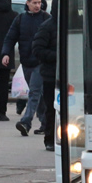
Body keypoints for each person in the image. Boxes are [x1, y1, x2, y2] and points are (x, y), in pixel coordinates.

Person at [2, 0, 51, 136]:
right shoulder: (20, 19)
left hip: (40, 62)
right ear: (27, 3)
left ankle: (26, 121)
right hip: (26, 62)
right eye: (34, 3)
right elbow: (10, 37)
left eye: (39, 2)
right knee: (39, 95)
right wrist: (5, 53)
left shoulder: (45, 18)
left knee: (34, 92)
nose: (37, 5)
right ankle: (45, 124)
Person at [32, 14, 58, 152]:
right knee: (51, 109)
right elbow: (37, 49)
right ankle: (50, 139)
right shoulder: (47, 27)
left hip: (71, 75)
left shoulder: (76, 24)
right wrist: (57, 56)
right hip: (51, 76)